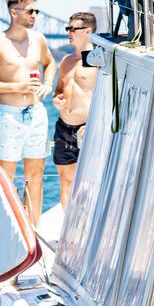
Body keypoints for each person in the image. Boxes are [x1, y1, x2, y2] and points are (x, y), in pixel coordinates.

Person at [0, 0, 55, 217]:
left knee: (35, 175)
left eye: (36, 11)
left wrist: (48, 84)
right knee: (5, 177)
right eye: (30, 11)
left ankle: (33, 231)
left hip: (37, 113)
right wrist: (16, 87)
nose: (35, 16)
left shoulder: (38, 39)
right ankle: (5, 227)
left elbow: (50, 63)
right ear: (14, 12)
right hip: (9, 116)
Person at [48, 11, 98, 206]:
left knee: (90, 184)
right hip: (64, 128)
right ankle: (69, 233)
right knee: (66, 182)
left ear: (88, 31)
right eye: (67, 28)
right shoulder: (67, 61)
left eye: (72, 28)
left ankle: (90, 230)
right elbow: (59, 90)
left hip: (88, 130)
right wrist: (56, 99)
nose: (68, 32)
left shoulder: (98, 62)